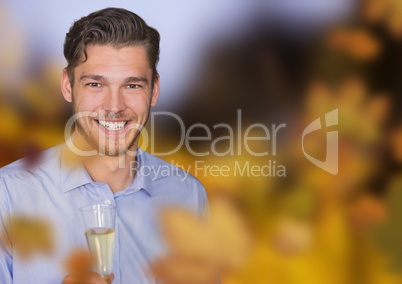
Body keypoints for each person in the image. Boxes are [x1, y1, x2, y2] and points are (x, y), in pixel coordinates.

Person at [0, 7, 208, 284]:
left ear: (154, 90)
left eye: (132, 86)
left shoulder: (188, 196)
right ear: (67, 85)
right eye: (96, 83)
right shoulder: (8, 196)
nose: (114, 106)